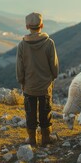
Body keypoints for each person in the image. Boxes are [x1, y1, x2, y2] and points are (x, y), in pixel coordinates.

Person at [16, 12, 59, 147]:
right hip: (45, 86)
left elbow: (19, 67)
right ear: (42, 25)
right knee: (45, 113)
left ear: (27, 26)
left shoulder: (22, 45)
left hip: (29, 86)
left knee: (30, 113)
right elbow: (55, 66)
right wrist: (52, 77)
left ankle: (32, 139)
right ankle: (46, 138)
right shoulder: (49, 43)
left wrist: (22, 81)